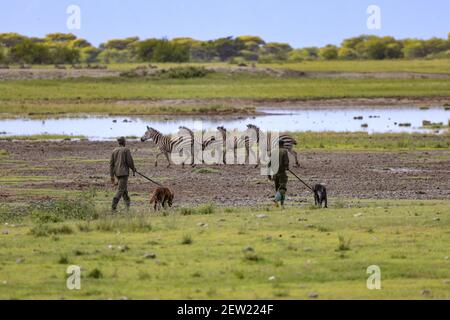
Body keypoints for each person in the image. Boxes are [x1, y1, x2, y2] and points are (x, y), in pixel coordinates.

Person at [110, 137, 136, 211]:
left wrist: (112, 176)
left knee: (124, 191)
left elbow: (111, 165)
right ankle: (113, 208)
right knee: (120, 190)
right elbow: (129, 161)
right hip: (124, 173)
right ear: (124, 142)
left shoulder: (114, 151)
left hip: (117, 173)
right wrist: (133, 169)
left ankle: (127, 208)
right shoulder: (126, 150)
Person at [269, 140, 290, 208]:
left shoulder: (272, 151)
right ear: (283, 144)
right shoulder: (284, 151)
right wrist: (287, 167)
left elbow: (268, 163)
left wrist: (269, 174)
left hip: (274, 173)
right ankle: (276, 199)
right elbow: (286, 162)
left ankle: (282, 205)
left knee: (278, 189)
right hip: (282, 173)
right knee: (282, 189)